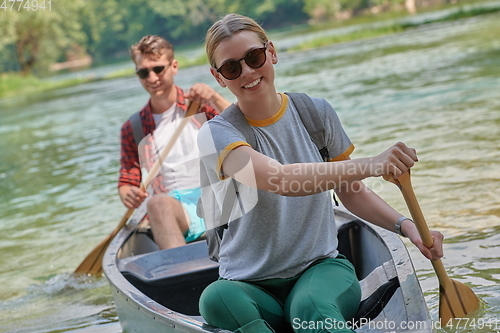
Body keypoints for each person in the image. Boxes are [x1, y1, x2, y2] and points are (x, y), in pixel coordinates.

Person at [196, 14, 445, 333]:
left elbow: (351, 191)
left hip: (321, 270)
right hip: (249, 286)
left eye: (254, 57)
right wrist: (373, 163)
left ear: (271, 52)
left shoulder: (315, 113)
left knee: (310, 308)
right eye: (232, 68)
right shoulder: (217, 134)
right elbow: (280, 179)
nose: (247, 72)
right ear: (219, 78)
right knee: (215, 298)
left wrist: (407, 227)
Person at [119, 35, 231, 250]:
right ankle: (181, 271)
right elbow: (127, 180)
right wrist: (127, 194)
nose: (152, 78)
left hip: (218, 199)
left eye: (158, 69)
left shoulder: (200, 104)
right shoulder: (132, 128)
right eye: (144, 72)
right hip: (175, 211)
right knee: (157, 203)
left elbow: (244, 127)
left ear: (174, 66)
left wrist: (215, 98)